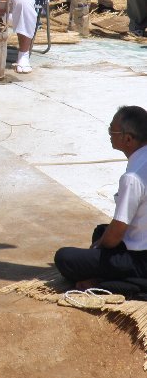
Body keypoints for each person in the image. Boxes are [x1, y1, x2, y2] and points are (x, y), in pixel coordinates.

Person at [54, 106, 147, 286]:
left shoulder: (133, 178)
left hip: (142, 259)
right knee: (100, 231)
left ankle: (126, 282)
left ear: (127, 138)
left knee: (65, 258)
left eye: (112, 130)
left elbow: (115, 236)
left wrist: (98, 247)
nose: (110, 134)